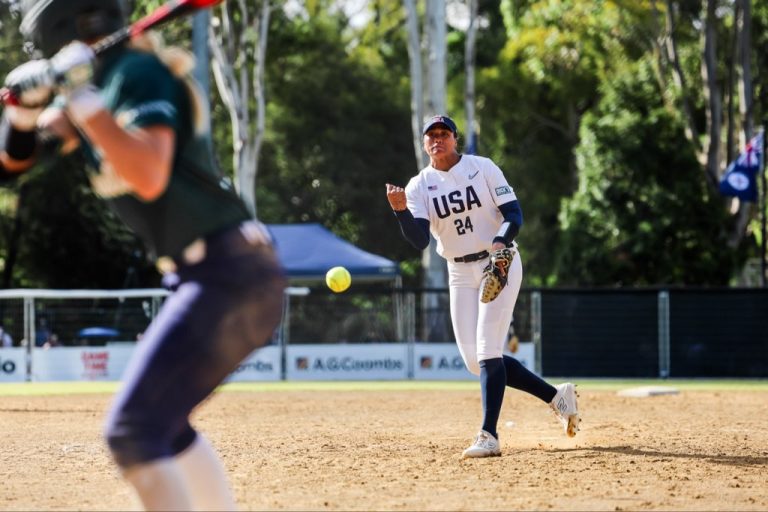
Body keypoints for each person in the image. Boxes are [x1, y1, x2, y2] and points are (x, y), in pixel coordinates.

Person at [1, 0, 286, 509]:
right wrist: (21, 112)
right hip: (221, 274)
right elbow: (13, 163)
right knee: (163, 427)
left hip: (227, 273)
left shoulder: (135, 72)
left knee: (132, 431)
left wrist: (83, 97)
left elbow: (149, 175)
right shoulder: (96, 88)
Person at [385, 114, 580, 458]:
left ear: (455, 139)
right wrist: (400, 211)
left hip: (499, 263)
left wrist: (500, 244)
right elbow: (418, 241)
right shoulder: (419, 185)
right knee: (475, 361)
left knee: (489, 350)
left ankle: (489, 435)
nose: (437, 139)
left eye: (444, 133)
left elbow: (514, 214)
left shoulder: (482, 167)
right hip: (458, 271)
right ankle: (556, 397)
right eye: (431, 135)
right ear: (424, 143)